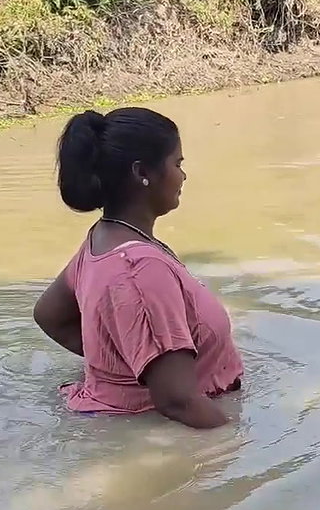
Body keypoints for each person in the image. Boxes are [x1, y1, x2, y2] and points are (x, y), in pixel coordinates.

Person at [33, 107, 243, 429]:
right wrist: (245, 444)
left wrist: (123, 369)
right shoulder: (140, 269)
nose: (183, 176)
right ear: (141, 172)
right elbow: (177, 401)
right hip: (146, 432)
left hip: (109, 420)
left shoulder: (103, 238)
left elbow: (50, 314)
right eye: (177, 164)